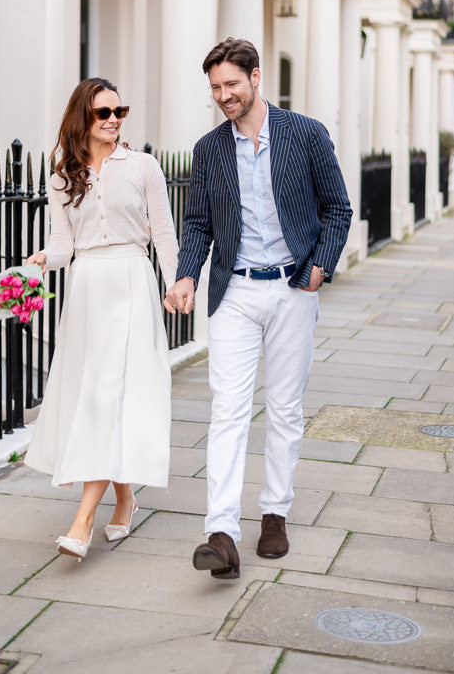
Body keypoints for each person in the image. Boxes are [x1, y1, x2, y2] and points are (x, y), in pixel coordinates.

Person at [164, 38, 352, 579]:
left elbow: (337, 209)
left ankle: (275, 514)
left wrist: (320, 266)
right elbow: (197, 222)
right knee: (228, 410)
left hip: (294, 288)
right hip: (235, 291)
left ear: (256, 78)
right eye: (216, 88)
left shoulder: (306, 135)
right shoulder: (209, 149)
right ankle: (221, 532)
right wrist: (185, 274)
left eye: (232, 85)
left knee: (286, 408)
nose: (224, 96)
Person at [24, 77, 179, 561]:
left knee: (111, 393)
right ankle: (126, 497)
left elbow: (163, 232)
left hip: (132, 281)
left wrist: (176, 282)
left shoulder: (143, 166)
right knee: (99, 395)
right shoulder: (61, 176)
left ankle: (82, 520)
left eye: (119, 111)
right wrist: (42, 261)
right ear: (82, 119)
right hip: (89, 288)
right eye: (103, 113)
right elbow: (65, 246)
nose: (113, 120)